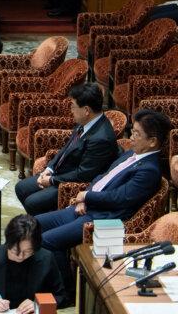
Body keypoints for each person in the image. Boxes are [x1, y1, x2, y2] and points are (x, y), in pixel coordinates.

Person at [36, 109, 170, 281]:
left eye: (137, 134)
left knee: (47, 241)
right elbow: (102, 177)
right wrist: (86, 196)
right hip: (87, 207)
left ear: (152, 141)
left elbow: (119, 198)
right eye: (132, 132)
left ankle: (65, 292)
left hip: (102, 217)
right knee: (34, 225)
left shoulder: (149, 170)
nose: (131, 138)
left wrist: (87, 197)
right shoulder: (132, 153)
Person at [14, 82, 119, 216]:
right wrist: (49, 169)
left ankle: (42, 226)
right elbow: (66, 148)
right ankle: (38, 220)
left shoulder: (101, 138)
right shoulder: (86, 122)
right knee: (21, 187)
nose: (71, 110)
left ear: (86, 110)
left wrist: (51, 180)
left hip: (74, 183)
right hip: (61, 172)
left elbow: (83, 174)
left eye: (73, 106)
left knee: (32, 202)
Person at [0, 214, 67, 312]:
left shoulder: (46, 258)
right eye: (15, 250)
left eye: (27, 251)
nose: (21, 256)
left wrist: (38, 304)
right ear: (8, 242)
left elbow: (61, 296)